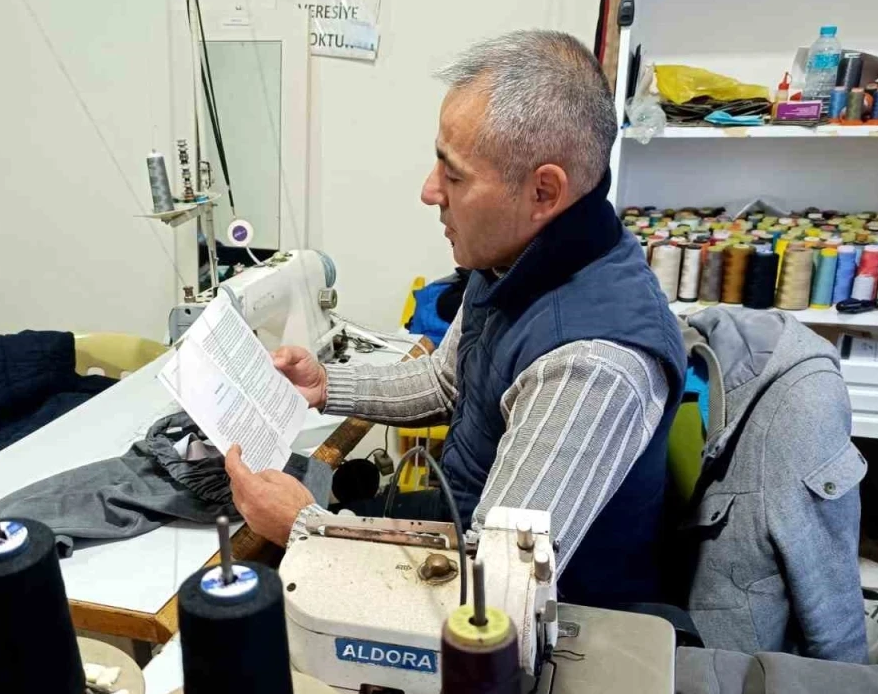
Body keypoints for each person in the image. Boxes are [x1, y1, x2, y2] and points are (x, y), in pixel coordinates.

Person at [226, 30, 687, 608]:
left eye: (455, 174)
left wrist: (304, 529)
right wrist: (327, 385)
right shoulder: (516, 259)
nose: (428, 191)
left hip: (548, 621)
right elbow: (449, 380)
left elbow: (494, 596)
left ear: (543, 190)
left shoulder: (589, 364)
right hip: (462, 523)